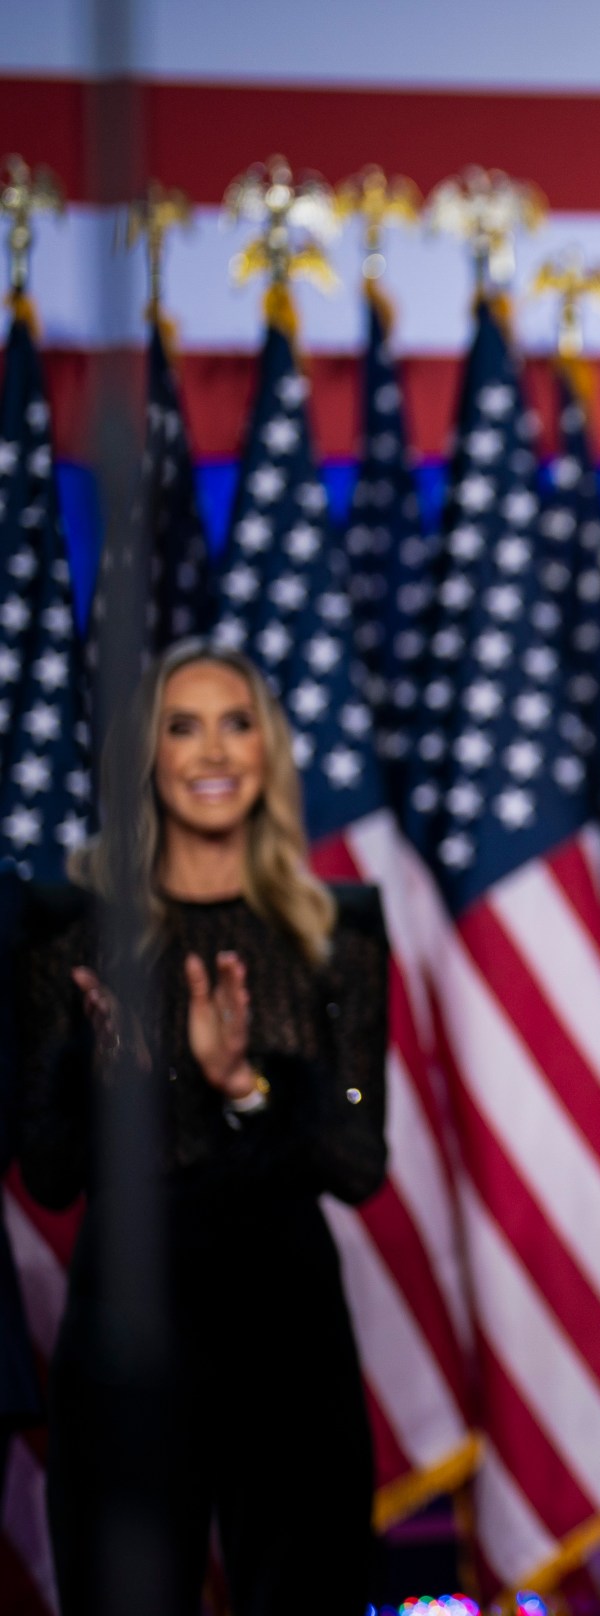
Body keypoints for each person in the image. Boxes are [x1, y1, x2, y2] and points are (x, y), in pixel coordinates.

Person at [15, 642, 388, 1616]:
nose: (211, 749)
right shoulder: (68, 935)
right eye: (182, 724)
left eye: (236, 722)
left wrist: (246, 1081)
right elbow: (48, 1175)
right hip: (126, 1333)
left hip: (288, 1337)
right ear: (146, 754)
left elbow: (358, 1161)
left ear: (268, 753)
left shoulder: (331, 937)